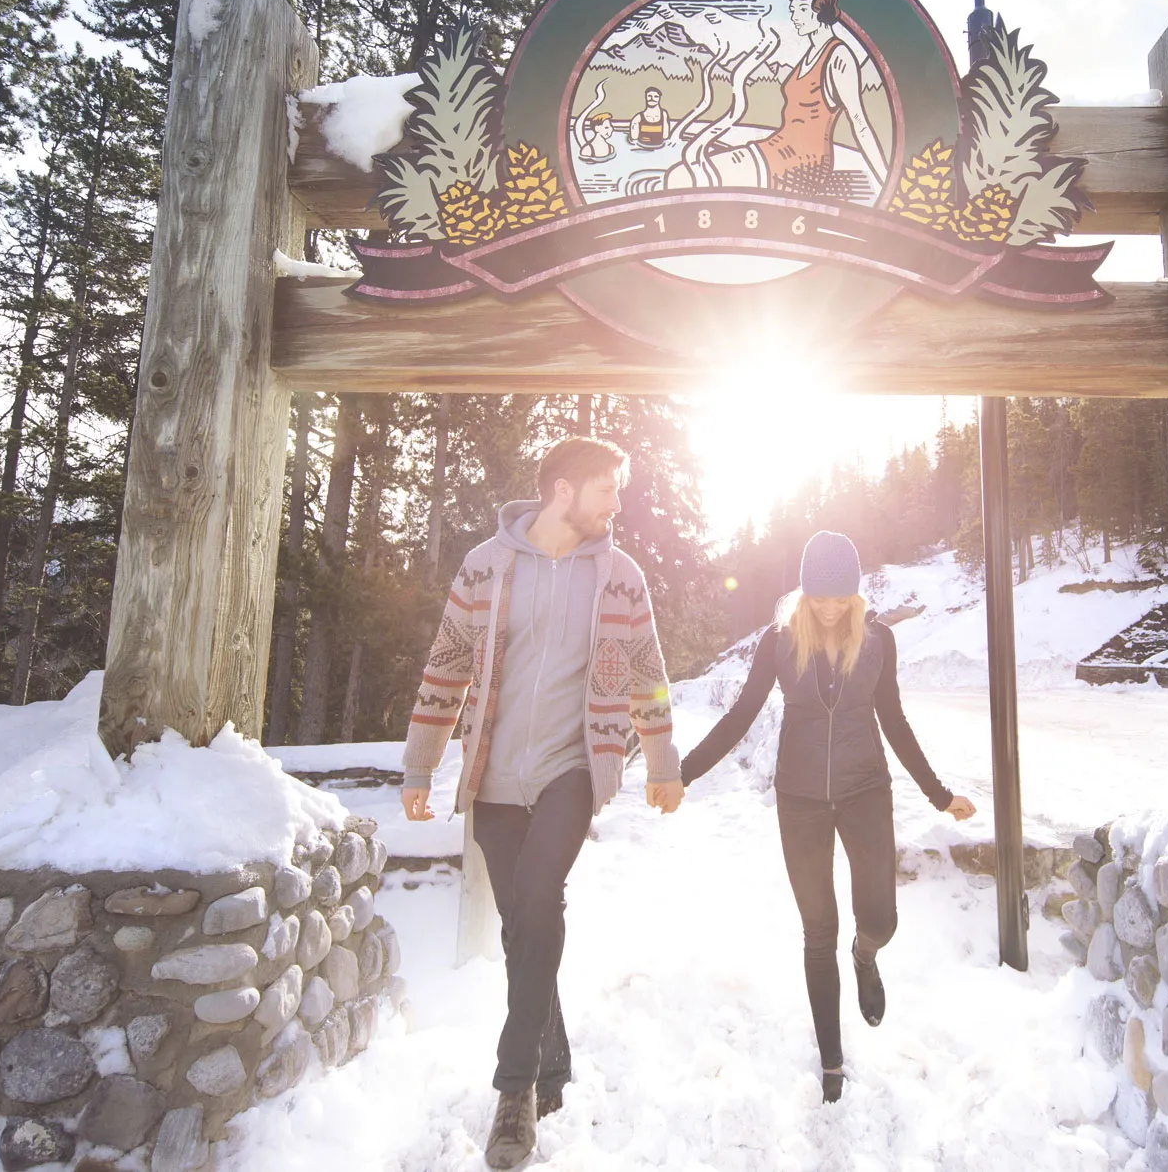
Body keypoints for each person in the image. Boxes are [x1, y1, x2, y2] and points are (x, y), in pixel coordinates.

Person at [401, 436, 684, 1168]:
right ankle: (551, 1058)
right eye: (606, 490)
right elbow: (447, 664)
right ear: (564, 489)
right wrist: (418, 766)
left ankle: (514, 1092)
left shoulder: (620, 578)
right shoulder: (485, 568)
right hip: (492, 777)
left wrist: (662, 759)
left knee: (537, 895)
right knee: (520, 924)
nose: (616, 505)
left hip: (572, 770)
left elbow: (648, 672)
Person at [679, 530, 975, 1103]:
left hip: (866, 791)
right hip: (801, 800)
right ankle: (831, 1061)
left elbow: (893, 720)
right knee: (818, 931)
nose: (833, 606)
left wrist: (940, 795)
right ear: (805, 593)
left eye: (843, 596)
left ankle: (865, 957)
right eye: (821, 596)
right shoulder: (779, 643)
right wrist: (683, 772)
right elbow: (741, 714)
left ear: (857, 594)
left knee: (881, 919)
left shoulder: (878, 641)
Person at [662, 0, 889, 197]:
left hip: (803, 164)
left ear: (817, 11)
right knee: (680, 174)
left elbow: (859, 122)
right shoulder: (809, 54)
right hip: (776, 148)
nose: (793, 17)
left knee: (682, 178)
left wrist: (886, 181)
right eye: (792, 11)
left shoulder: (839, 56)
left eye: (798, 10)